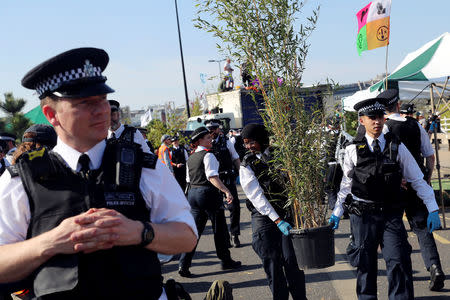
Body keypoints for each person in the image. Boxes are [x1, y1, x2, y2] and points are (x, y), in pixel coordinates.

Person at [0, 47, 197, 299]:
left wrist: (139, 232)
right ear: (52, 115)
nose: (101, 110)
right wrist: (50, 242)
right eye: (85, 103)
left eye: (103, 99)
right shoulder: (21, 178)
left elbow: (187, 236)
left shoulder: (143, 166)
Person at [328, 96, 441, 300]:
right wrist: (337, 211)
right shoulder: (353, 149)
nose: (377, 121)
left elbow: (416, 178)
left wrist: (432, 208)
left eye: (380, 116)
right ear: (361, 120)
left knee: (398, 262)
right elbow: (346, 185)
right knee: (366, 266)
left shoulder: (396, 147)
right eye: (372, 117)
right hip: (363, 216)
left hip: (390, 215)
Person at [380, 89, 445, 291]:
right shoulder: (416, 125)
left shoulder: (383, 130)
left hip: (393, 188)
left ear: (382, 109)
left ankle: (404, 269)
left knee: (394, 230)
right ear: (398, 105)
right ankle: (434, 266)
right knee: (423, 228)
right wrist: (425, 178)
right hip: (417, 185)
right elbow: (430, 156)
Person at [240, 124, 306, 300]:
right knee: (272, 263)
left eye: (251, 142)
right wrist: (277, 221)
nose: (248, 147)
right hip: (264, 217)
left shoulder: (282, 155)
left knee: (293, 261)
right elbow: (257, 198)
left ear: (262, 139)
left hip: (286, 212)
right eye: (245, 143)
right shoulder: (247, 164)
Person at [178, 127, 241, 277]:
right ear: (199, 141)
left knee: (195, 231)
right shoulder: (208, 155)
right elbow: (212, 176)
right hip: (207, 193)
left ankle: (183, 264)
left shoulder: (191, 157)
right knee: (219, 229)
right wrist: (226, 191)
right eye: (207, 138)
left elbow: (188, 180)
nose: (211, 140)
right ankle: (225, 260)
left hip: (193, 194)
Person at [207, 121, 242, 248]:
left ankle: (234, 234)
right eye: (210, 129)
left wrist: (241, 173)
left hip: (227, 179)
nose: (212, 131)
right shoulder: (206, 144)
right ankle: (224, 238)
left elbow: (235, 157)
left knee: (234, 207)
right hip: (214, 181)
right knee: (217, 210)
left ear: (218, 129)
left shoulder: (226, 141)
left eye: (214, 129)